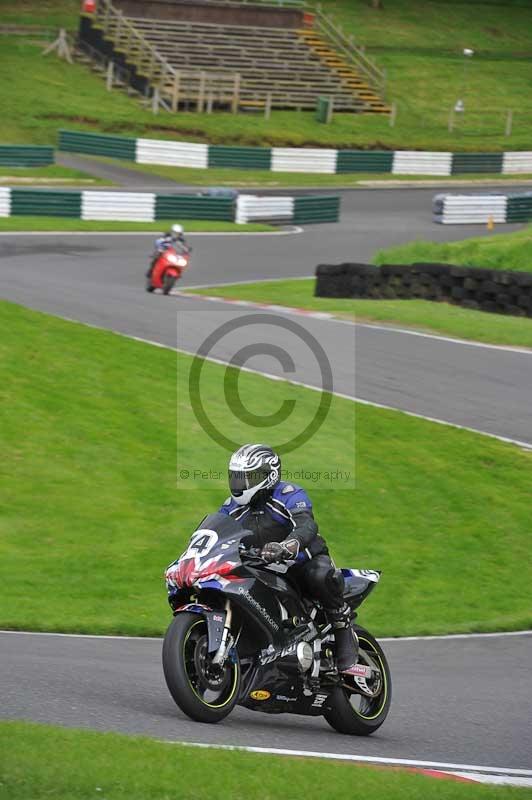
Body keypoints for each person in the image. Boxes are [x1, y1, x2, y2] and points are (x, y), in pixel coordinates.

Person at [219, 443, 360, 674]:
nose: (240, 484)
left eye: (248, 477)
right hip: (260, 565)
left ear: (269, 475)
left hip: (301, 561)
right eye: (237, 477)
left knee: (318, 574)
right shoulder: (230, 508)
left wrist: (287, 546)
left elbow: (306, 524)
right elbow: (217, 534)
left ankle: (341, 626)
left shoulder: (289, 494)